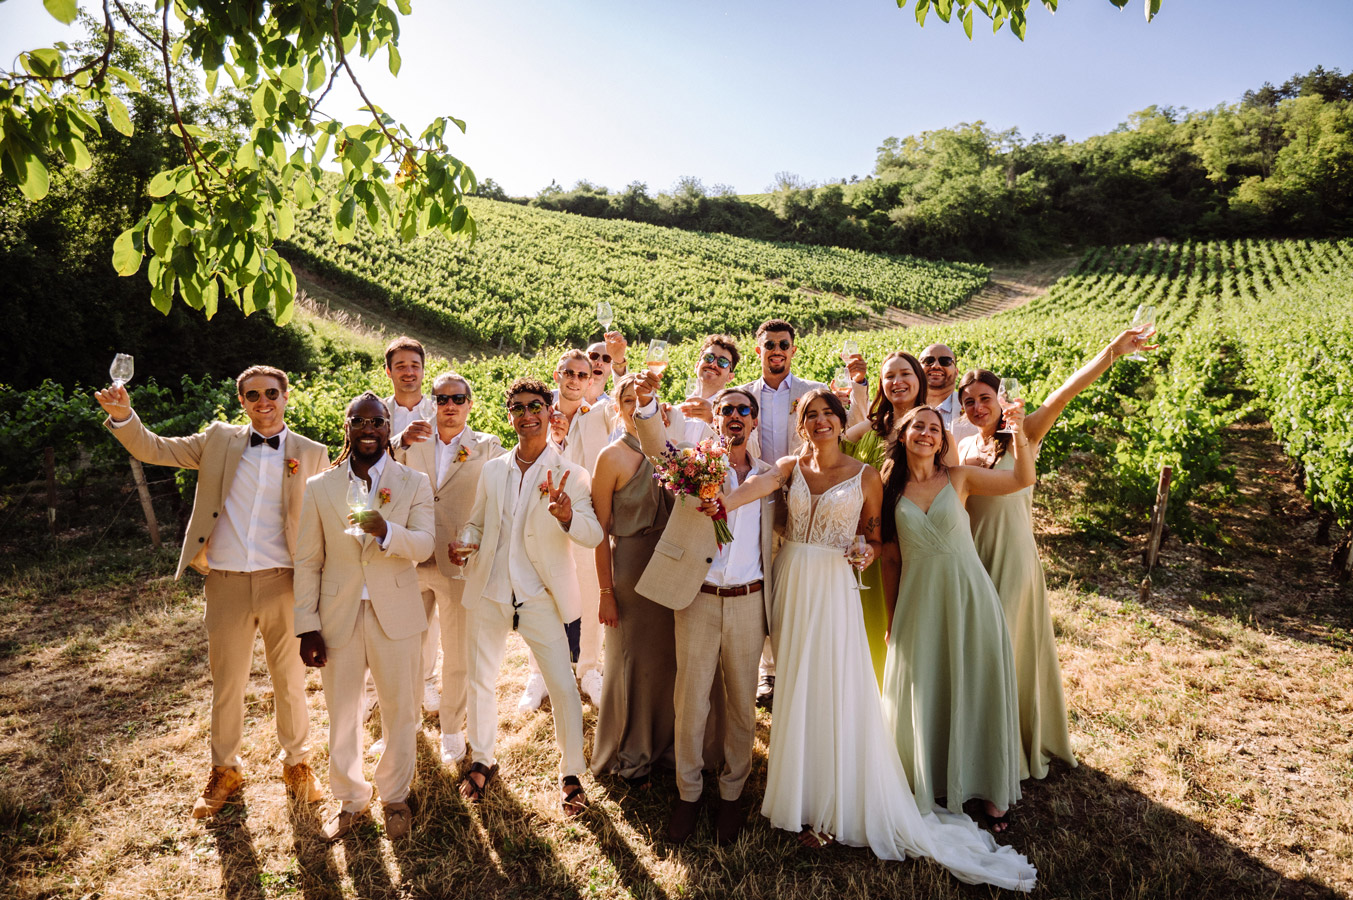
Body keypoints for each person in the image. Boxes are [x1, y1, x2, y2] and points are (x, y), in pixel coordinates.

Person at [710, 390, 1036, 890]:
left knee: (837, 685)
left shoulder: (867, 477)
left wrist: (864, 550)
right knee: (795, 684)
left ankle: (837, 802)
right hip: (793, 577)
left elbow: (875, 537)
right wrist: (724, 502)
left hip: (836, 585)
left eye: (828, 415)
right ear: (802, 427)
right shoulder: (789, 465)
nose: (820, 422)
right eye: (810, 416)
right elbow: (760, 486)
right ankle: (800, 797)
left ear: (843, 424)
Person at [95, 366, 328, 819]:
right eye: (253, 394)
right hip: (225, 583)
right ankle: (226, 770)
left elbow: (335, 508)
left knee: (291, 682)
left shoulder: (312, 453)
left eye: (272, 393)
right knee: (228, 684)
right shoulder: (219, 439)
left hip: (285, 582)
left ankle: (297, 764)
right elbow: (155, 449)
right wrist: (125, 417)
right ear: (242, 401)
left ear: (286, 397)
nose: (264, 402)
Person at [956, 326, 1154, 781]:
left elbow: (1065, 394)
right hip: (972, 558)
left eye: (985, 398)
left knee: (1005, 650)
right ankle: (976, 743)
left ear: (1000, 399)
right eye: (969, 402)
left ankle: (1007, 753)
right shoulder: (963, 445)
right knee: (979, 652)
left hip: (1012, 556)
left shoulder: (1022, 431)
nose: (977, 407)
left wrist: (1111, 352)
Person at [450, 378, 603, 817]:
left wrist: (568, 515)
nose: (526, 414)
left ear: (549, 409)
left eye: (534, 405)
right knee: (480, 679)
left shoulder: (572, 474)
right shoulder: (494, 469)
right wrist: (464, 543)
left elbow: (592, 535)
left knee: (561, 685)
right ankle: (482, 759)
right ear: (509, 413)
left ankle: (571, 772)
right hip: (491, 591)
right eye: (517, 407)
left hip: (541, 598)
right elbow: (477, 525)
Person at [633, 382, 777, 845]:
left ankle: (732, 794)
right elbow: (655, 446)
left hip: (749, 600)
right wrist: (647, 406)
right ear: (716, 419)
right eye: (727, 409)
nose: (735, 415)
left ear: (755, 421)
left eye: (744, 410)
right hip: (697, 597)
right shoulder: (696, 463)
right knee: (690, 701)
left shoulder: (771, 476)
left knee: (741, 702)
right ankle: (688, 794)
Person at [878, 404, 1033, 833]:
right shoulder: (888, 488)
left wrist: (1018, 433)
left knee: (976, 680)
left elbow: (1022, 479)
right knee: (926, 683)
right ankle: (930, 777)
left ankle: (987, 788)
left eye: (935, 429)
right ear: (904, 434)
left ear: (943, 440)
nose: (927, 433)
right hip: (919, 600)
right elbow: (890, 560)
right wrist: (892, 617)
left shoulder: (960, 478)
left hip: (970, 595)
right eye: (918, 427)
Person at [293, 392, 436, 842]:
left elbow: (425, 545)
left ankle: (395, 794)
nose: (369, 431)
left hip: (396, 611)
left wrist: (386, 530)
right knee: (343, 711)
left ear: (387, 428)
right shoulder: (319, 487)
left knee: (400, 709)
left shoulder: (413, 482)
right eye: (361, 422)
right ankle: (351, 798)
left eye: (378, 423)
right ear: (348, 428)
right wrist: (306, 625)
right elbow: (307, 561)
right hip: (338, 616)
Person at [395, 371, 505, 767]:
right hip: (410, 558)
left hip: (458, 563)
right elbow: (381, 469)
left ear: (470, 403)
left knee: (457, 653)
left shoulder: (488, 447)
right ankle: (404, 727)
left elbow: (498, 503)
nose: (450, 406)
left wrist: (477, 546)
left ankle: (453, 729)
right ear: (433, 403)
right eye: (442, 399)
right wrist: (400, 440)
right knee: (405, 648)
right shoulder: (413, 440)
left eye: (458, 399)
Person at [588, 373, 677, 789]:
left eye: (643, 398)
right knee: (632, 663)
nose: (634, 404)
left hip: (673, 562)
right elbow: (598, 533)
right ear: (617, 407)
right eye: (627, 399)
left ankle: (665, 747)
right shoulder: (611, 457)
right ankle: (630, 755)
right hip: (632, 567)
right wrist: (606, 592)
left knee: (667, 661)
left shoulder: (671, 450)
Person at [734, 318, 828, 709]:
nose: (776, 349)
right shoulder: (741, 396)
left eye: (783, 344)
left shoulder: (813, 392)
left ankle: (801, 667)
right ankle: (767, 674)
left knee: (797, 584)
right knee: (763, 584)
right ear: (759, 349)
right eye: (769, 343)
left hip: (804, 500)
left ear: (793, 350)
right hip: (756, 504)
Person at [514, 350, 611, 713]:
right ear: (557, 375)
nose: (574, 379)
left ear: (591, 380)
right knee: (542, 597)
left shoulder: (600, 414)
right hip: (542, 519)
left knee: (589, 593)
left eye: (582, 375)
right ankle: (538, 674)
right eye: (568, 372)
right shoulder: (537, 411)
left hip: (586, 517)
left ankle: (589, 669)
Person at [840, 350, 934, 685]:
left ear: (918, 380)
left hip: (913, 548)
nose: (897, 382)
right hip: (872, 546)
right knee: (871, 632)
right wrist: (863, 416)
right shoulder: (871, 431)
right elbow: (835, 448)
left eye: (905, 374)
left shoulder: (931, 428)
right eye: (889, 376)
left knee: (911, 633)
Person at [382, 335, 441, 717]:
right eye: (400, 365)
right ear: (388, 371)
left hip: (431, 520)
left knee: (429, 608)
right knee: (386, 607)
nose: (408, 372)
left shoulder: (444, 409)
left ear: (423, 370)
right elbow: (355, 456)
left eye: (414, 365)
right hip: (387, 521)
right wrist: (397, 441)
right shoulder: (373, 411)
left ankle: (427, 681)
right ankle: (383, 687)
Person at [919, 343, 979, 443]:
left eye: (945, 361)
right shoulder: (905, 408)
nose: (936, 366)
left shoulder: (975, 408)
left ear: (956, 372)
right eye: (928, 361)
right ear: (917, 369)